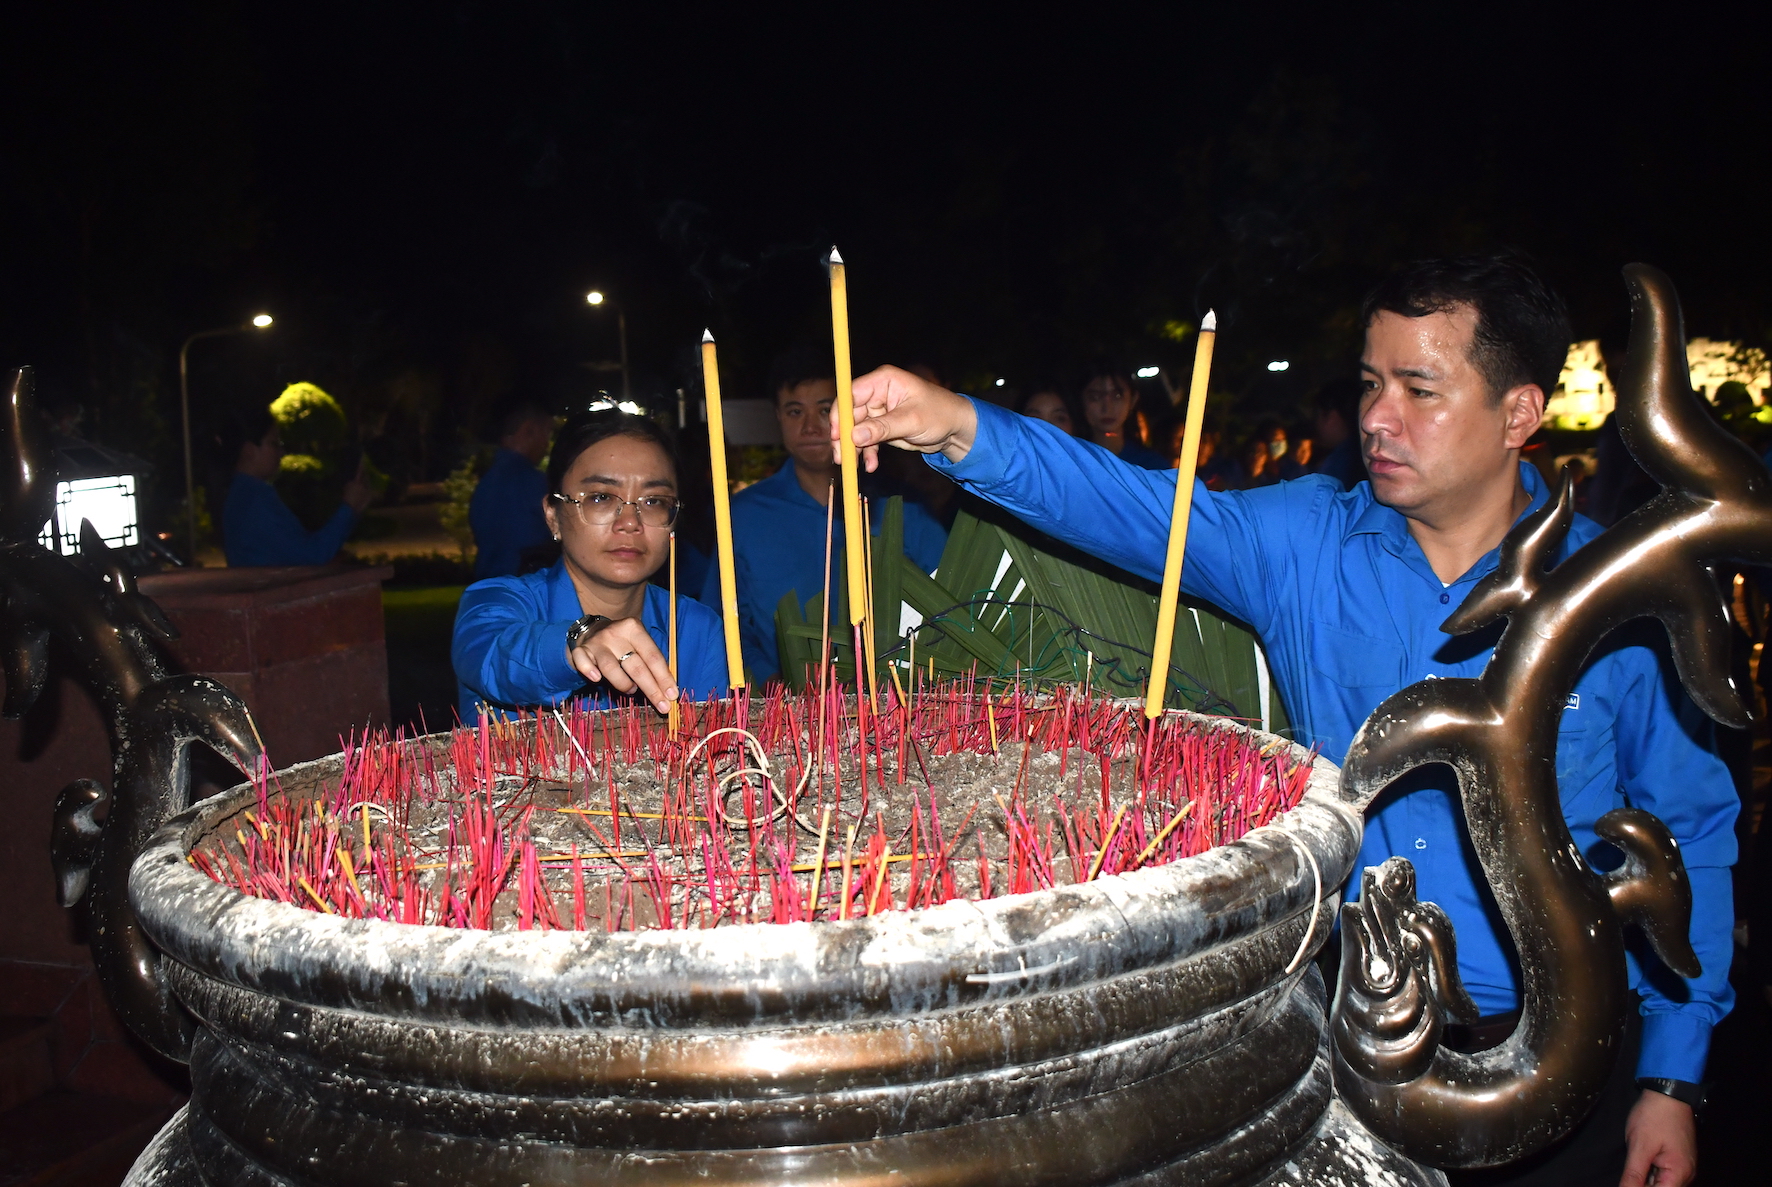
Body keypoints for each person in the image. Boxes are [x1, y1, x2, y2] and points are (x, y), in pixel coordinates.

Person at [839, 254, 1732, 1187]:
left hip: (1574, 1058)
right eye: (1370, 384)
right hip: (1362, 1042)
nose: (1378, 419)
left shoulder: (1619, 595)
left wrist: (1672, 1080)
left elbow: (1690, 832)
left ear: (1519, 414)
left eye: (1419, 389)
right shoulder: (1307, 544)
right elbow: (1132, 505)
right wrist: (954, 424)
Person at [452, 410, 724, 720]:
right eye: (600, 498)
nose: (630, 522)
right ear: (553, 515)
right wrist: (580, 639)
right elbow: (494, 658)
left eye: (653, 501)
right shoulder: (494, 603)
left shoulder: (697, 630)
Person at [701, 345, 947, 683]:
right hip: (779, 710)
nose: (810, 427)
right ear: (777, 416)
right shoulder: (744, 515)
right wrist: (766, 678)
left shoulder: (904, 507)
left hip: (895, 700)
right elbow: (720, 619)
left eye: (825, 409)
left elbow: (952, 605)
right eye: (794, 411)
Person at [222, 406, 371, 566]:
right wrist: (348, 507)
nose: (281, 452)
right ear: (249, 451)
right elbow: (312, 555)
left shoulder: (240, 495)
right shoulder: (256, 501)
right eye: (274, 443)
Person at [469, 402, 556, 580]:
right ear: (529, 430)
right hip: (528, 590)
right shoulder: (534, 484)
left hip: (489, 588)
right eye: (546, 434)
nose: (547, 444)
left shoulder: (486, 485)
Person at [1080, 364, 1167, 469]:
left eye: (1117, 396)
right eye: (1095, 397)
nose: (1107, 407)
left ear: (1133, 400)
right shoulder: (1073, 460)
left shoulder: (1150, 465)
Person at [1311, 376, 1366, 489]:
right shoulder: (1370, 453)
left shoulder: (1338, 463)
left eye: (1318, 416)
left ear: (1332, 416)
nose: (1316, 425)